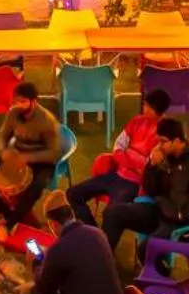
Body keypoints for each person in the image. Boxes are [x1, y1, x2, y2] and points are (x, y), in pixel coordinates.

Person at [101, 118, 189, 254]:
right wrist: (152, 166)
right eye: (158, 141)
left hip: (180, 223)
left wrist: (182, 215)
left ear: (177, 141)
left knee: (146, 250)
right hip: (160, 211)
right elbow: (150, 190)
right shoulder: (165, 161)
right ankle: (103, 260)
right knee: (112, 213)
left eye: (163, 142)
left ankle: (159, 268)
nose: (159, 146)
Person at [67, 88, 170, 229]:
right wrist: (133, 158)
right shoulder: (137, 121)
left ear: (157, 109)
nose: (144, 108)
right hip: (116, 175)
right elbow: (118, 147)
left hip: (135, 183)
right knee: (73, 194)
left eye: (147, 106)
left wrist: (129, 154)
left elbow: (149, 165)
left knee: (111, 214)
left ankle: (101, 240)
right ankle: (93, 231)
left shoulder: (165, 132)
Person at [0, 79, 60, 228]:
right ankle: (5, 212)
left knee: (37, 185)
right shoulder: (13, 113)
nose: (18, 105)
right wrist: (4, 150)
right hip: (17, 156)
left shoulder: (46, 121)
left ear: (33, 102)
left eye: (23, 101)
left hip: (42, 162)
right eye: (16, 101)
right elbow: (3, 135)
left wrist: (28, 158)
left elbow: (53, 153)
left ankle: (11, 222)